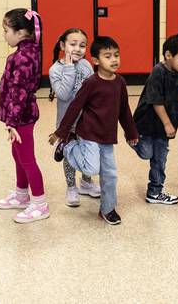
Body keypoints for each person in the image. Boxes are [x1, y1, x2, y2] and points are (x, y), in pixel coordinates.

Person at [50, 36, 139, 225]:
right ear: (96, 61)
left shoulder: (120, 82)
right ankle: (68, 147)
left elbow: (124, 110)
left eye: (116, 55)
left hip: (107, 137)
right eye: (108, 56)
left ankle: (107, 209)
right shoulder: (91, 83)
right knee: (91, 168)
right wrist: (61, 132)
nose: (114, 59)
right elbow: (75, 107)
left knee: (110, 174)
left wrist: (131, 133)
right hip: (88, 134)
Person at [0, 8, 49, 223]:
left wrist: (12, 121)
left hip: (21, 117)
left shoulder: (23, 57)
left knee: (27, 159)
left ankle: (40, 204)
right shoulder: (26, 52)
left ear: (20, 33)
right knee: (18, 154)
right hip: (19, 116)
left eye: (6, 30)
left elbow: (19, 92)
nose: (4, 35)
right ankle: (21, 194)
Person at [131, 34, 178, 205]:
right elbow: (156, 101)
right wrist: (167, 124)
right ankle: (131, 137)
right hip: (147, 124)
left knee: (160, 159)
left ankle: (155, 191)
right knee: (147, 153)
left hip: (164, 128)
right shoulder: (158, 72)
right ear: (168, 55)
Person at [48, 28, 100, 207]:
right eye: (73, 44)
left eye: (82, 45)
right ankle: (71, 188)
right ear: (63, 46)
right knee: (70, 154)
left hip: (86, 121)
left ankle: (86, 182)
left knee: (87, 151)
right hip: (67, 123)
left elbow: (93, 90)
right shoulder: (55, 69)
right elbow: (63, 94)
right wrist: (69, 67)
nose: (78, 49)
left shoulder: (86, 65)